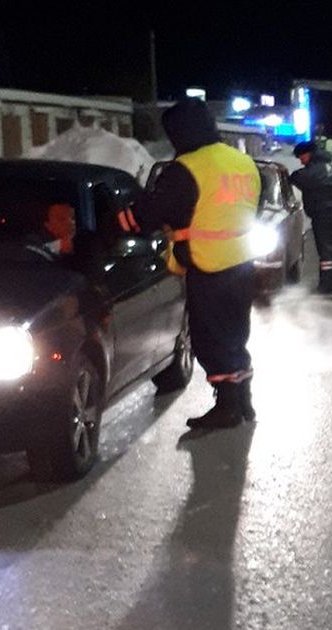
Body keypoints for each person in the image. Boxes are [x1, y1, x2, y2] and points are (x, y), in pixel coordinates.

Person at [117, 98, 262, 430]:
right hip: (241, 262)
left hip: (208, 266)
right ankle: (242, 400)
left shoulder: (187, 168)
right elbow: (251, 203)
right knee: (236, 334)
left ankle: (226, 407)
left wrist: (123, 215)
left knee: (210, 337)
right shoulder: (241, 162)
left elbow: (150, 215)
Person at [289, 140, 332, 294]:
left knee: (326, 248)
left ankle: (326, 287)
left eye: (301, 157)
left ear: (309, 154)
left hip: (324, 213)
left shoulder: (316, 170)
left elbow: (297, 177)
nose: (301, 161)